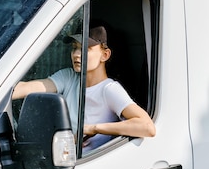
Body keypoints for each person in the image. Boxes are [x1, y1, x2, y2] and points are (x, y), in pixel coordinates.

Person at [12, 24, 155, 152]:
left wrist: (92, 128)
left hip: (86, 166)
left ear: (105, 55)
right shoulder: (68, 76)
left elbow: (147, 127)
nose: (76, 54)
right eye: (74, 48)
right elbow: (28, 88)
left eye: (85, 48)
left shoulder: (109, 89)